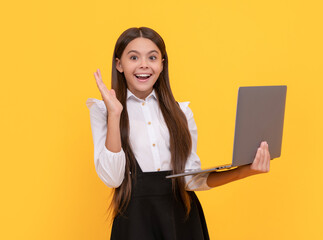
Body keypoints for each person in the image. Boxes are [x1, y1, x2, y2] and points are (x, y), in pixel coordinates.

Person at [86, 27, 271, 240]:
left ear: (162, 64)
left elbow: (191, 180)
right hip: (135, 224)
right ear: (119, 64)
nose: (144, 64)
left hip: (182, 221)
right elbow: (112, 177)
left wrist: (245, 170)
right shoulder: (103, 111)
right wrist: (115, 114)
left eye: (152, 57)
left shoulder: (181, 112)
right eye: (134, 57)